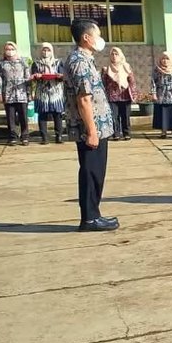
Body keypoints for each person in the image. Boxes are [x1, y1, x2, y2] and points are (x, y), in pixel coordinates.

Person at [64, 18, 118, 232]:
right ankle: (89, 219)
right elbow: (84, 99)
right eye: (97, 34)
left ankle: (94, 214)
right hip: (90, 128)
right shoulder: (79, 61)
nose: (100, 39)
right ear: (86, 38)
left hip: (97, 126)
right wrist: (92, 131)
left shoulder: (85, 59)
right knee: (91, 171)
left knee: (96, 171)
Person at [30, 42, 66, 145]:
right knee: (42, 114)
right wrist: (37, 76)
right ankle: (44, 137)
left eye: (48, 50)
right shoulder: (36, 63)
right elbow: (33, 77)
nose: (46, 52)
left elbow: (63, 75)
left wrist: (60, 76)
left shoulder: (58, 62)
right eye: (44, 50)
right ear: (40, 51)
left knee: (57, 114)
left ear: (52, 51)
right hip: (42, 93)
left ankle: (59, 136)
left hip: (56, 93)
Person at [0, 41, 30, 146]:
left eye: (12, 49)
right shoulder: (1, 63)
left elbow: (28, 78)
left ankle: (25, 137)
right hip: (8, 94)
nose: (10, 51)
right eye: (7, 49)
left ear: (16, 50)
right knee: (11, 117)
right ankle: (12, 137)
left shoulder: (23, 62)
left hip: (22, 93)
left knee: (23, 117)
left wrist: (29, 92)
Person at [102, 47, 136, 141]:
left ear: (120, 55)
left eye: (116, 54)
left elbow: (132, 82)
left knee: (125, 116)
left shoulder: (126, 67)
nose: (114, 56)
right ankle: (116, 134)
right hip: (112, 97)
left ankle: (126, 133)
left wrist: (133, 94)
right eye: (112, 54)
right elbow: (103, 83)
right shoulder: (107, 69)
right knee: (114, 117)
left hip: (125, 96)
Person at [151, 53, 172, 138]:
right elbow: (153, 82)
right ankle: (163, 132)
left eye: (167, 59)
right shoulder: (156, 70)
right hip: (161, 94)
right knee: (162, 113)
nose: (165, 61)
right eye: (163, 59)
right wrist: (153, 93)